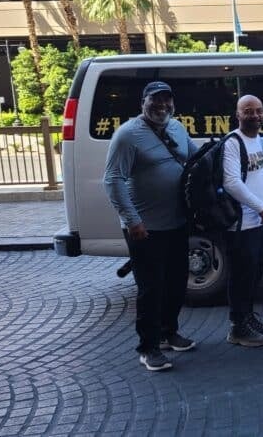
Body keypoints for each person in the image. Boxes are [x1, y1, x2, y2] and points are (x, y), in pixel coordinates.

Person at [104, 81, 198, 371]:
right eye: (154, 101)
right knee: (150, 289)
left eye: (166, 100)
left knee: (176, 283)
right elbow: (113, 180)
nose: (161, 106)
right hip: (145, 229)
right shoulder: (128, 135)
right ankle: (148, 347)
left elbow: (195, 160)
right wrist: (132, 221)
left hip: (177, 222)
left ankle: (169, 332)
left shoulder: (177, 128)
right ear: (143, 103)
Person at [222, 95, 263, 346]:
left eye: (258, 111)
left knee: (254, 273)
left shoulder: (261, 141)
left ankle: (247, 316)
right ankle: (237, 327)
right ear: (238, 114)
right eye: (248, 111)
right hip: (241, 223)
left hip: (257, 223)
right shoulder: (233, 142)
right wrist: (260, 207)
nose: (254, 115)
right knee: (241, 275)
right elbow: (232, 182)